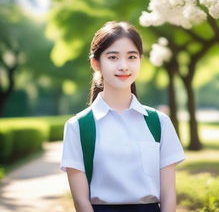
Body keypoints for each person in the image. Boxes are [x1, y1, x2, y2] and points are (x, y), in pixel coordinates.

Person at [60, 21, 185, 212]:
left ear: (140, 60)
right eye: (113, 57)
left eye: (132, 57)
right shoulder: (78, 126)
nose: (123, 66)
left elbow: (168, 194)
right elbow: (81, 201)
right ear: (96, 63)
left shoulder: (159, 122)